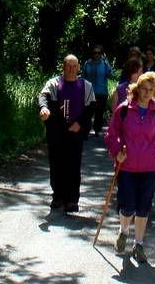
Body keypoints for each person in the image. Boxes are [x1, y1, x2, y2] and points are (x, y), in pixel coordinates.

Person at [104, 72, 155, 263]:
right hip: (126, 166)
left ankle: (139, 244)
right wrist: (117, 150)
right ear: (138, 88)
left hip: (150, 168)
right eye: (144, 88)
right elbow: (111, 135)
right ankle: (124, 231)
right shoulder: (124, 110)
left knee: (143, 207)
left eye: (151, 90)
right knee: (127, 206)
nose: (147, 93)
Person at [38, 54, 96, 213]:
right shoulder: (54, 83)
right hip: (56, 131)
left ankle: (72, 200)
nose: (71, 69)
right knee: (56, 163)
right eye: (68, 66)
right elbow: (43, 97)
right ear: (63, 67)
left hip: (75, 131)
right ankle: (58, 196)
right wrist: (43, 108)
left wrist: (81, 124)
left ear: (78, 67)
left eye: (74, 66)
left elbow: (91, 107)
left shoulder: (86, 86)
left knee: (73, 165)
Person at [82, 45, 113, 137]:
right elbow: (83, 77)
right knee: (88, 112)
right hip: (89, 92)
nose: (96, 54)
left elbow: (111, 76)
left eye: (99, 53)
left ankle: (97, 130)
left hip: (102, 92)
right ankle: (85, 131)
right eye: (95, 52)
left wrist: (108, 67)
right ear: (92, 53)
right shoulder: (87, 64)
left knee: (99, 112)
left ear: (101, 54)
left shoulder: (104, 64)